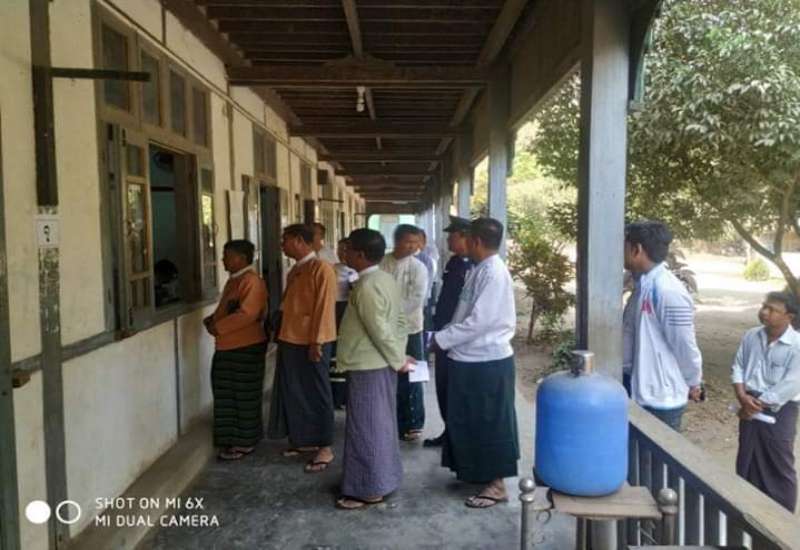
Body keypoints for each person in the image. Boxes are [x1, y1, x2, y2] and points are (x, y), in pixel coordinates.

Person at [430, 218, 519, 509]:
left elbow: (480, 322)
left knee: (491, 423)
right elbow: (464, 313)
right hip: (468, 356)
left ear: (476, 241)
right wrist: (445, 336)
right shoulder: (479, 268)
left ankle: (497, 485)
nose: (462, 242)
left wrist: (441, 339)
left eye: (466, 238)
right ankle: (477, 472)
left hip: (487, 360)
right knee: (469, 420)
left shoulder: (494, 273)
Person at [335, 228, 413, 509]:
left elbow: (378, 329)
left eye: (348, 250)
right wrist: (399, 355)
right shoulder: (384, 278)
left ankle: (368, 489)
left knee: (366, 427)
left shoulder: (367, 286)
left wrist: (398, 359)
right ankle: (383, 479)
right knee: (379, 424)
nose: (344, 254)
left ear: (359, 254)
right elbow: (400, 322)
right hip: (380, 363)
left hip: (368, 365)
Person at [267, 224, 338, 473]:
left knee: (317, 392)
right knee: (295, 391)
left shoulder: (322, 268)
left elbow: (324, 308)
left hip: (312, 341)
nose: (282, 246)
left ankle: (325, 446)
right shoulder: (296, 269)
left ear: (299, 241)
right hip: (290, 338)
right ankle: (304, 439)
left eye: (285, 241)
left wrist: (317, 341)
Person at [622, 220, 703, 431]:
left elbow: (684, 344)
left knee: (654, 452)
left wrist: (693, 381)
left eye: (624, 246)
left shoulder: (668, 291)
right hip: (637, 387)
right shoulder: (643, 285)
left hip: (661, 398)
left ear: (637, 250)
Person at [731, 291, 800, 512]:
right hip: (748, 402)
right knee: (747, 456)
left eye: (772, 310)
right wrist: (742, 396)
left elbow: (791, 384)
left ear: (789, 317)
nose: (764, 312)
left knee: (778, 461)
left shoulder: (796, 345)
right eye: (764, 306)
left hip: (780, 410)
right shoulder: (752, 335)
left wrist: (754, 405)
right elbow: (738, 365)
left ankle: (781, 516)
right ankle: (748, 510)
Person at [204, 240, 268, 461]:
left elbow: (247, 314)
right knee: (226, 393)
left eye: (227, 256)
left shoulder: (251, 281)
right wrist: (212, 319)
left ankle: (245, 441)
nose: (223, 260)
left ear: (241, 258)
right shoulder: (235, 280)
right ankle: (232, 438)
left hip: (245, 346)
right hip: (228, 345)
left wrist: (218, 327)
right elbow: (227, 309)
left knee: (243, 395)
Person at [424, 216, 474, 448]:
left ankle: (458, 435)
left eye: (452, 236)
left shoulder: (472, 266)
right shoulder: (455, 262)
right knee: (443, 384)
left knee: (455, 387)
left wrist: (449, 335)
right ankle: (449, 431)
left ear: (465, 237)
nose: (447, 240)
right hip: (442, 331)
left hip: (456, 337)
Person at [380, 224, 429, 441]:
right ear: (397, 241)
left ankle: (413, 422)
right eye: (408, 241)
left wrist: (392, 316)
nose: (412, 246)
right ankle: (389, 419)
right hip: (383, 328)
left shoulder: (419, 268)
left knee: (413, 373)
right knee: (387, 372)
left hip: (411, 328)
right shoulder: (381, 263)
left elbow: (417, 299)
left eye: (416, 242)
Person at [331, 238, 359, 409]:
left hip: (349, 312)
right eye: (340, 249)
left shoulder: (358, 271)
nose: (342, 253)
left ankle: (347, 396)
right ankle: (336, 396)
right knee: (334, 355)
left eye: (346, 250)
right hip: (334, 311)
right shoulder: (331, 269)